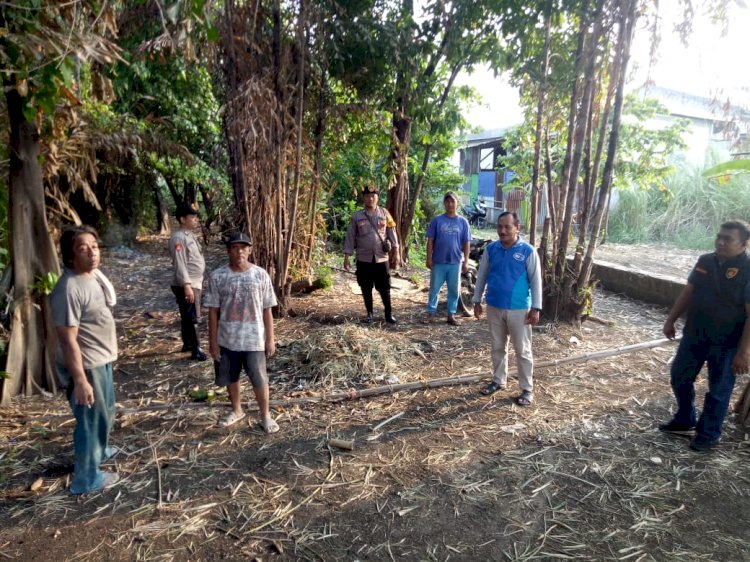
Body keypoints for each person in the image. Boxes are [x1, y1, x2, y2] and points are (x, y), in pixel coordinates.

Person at [660, 220, 750, 451]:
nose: (720, 242)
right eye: (719, 237)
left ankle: (708, 434)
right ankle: (684, 419)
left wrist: (744, 352)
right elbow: (688, 292)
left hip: (728, 342)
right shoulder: (705, 261)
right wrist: (671, 319)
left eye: (728, 239)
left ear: (744, 244)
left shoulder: (748, 270)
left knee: (718, 390)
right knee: (679, 376)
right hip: (695, 333)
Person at [51, 226, 119, 494]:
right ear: (70, 256)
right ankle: (86, 479)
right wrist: (80, 380)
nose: (92, 252)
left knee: (105, 413)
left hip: (101, 359)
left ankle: (100, 450)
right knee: (90, 421)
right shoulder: (68, 288)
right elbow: (68, 339)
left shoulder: (91, 277)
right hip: (86, 366)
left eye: (95, 246)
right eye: (83, 248)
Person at [204, 232, 280, 432]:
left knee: (259, 378)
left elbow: (267, 310)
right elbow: (212, 311)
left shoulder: (260, 275)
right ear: (228, 251)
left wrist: (270, 339)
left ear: (250, 250)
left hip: (254, 339)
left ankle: (265, 415)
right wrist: (213, 342)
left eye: (243, 247)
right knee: (231, 377)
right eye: (235, 248)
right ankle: (237, 410)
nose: (239, 251)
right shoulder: (218, 276)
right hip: (227, 338)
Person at [473, 212, 542, 406]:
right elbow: (482, 275)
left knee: (522, 350)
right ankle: (498, 380)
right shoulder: (491, 249)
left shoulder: (528, 251)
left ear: (517, 228)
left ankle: (527, 389)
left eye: (507, 227)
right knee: (497, 347)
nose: (502, 231)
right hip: (494, 306)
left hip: (519, 309)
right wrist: (477, 300)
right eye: (500, 227)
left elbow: (536, 280)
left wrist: (536, 307)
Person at [343, 184, 400, 324]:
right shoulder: (357, 216)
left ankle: (388, 314)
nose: (370, 199)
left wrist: (396, 252)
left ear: (377, 198)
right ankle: (369, 314)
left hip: (381, 258)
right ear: (364, 198)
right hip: (364, 259)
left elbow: (392, 233)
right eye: (367, 196)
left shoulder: (385, 214)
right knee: (366, 287)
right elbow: (350, 236)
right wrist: (347, 256)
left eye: (373, 196)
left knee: (385, 287)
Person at [424, 191, 471, 325]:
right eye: (447, 201)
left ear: (457, 203)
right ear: (444, 203)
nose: (450, 204)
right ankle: (431, 314)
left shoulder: (463, 222)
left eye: (453, 201)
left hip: (455, 262)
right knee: (434, 289)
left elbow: (466, 242)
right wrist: (429, 258)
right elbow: (430, 240)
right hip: (438, 261)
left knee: (454, 290)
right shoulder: (437, 220)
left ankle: (451, 315)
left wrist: (466, 261)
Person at [169, 202, 207, 361]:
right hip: (188, 284)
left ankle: (188, 344)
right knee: (192, 316)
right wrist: (187, 286)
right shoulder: (178, 238)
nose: (195, 220)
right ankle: (196, 349)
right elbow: (180, 262)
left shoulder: (188, 235)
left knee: (187, 315)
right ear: (183, 219)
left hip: (193, 282)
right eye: (192, 217)